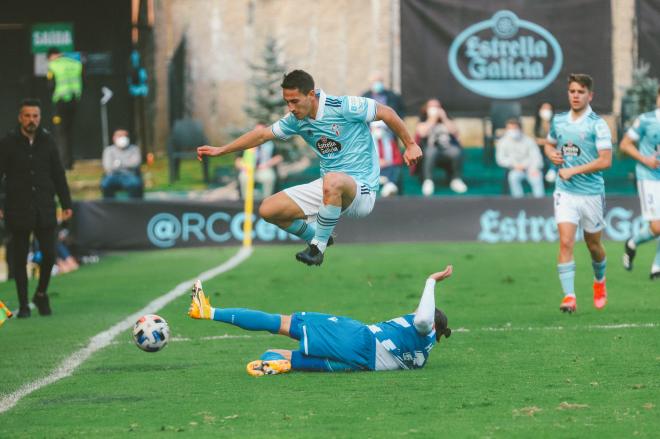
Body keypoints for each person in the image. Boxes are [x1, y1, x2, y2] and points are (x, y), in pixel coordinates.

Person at [197, 70, 422, 266]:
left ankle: (317, 248)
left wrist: (410, 145)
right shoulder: (295, 120)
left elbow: (387, 113)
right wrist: (221, 150)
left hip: (361, 190)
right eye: (287, 102)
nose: (290, 108)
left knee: (333, 180)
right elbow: (263, 134)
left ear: (311, 95)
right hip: (329, 187)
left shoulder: (343, 106)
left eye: (295, 101)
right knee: (269, 210)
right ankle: (319, 234)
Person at [187, 265, 453, 376]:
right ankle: (276, 363)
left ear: (432, 325)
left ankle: (208, 311)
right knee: (286, 356)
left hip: (357, 338)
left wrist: (431, 281)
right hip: (359, 365)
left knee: (279, 322)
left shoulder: (423, 328)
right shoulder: (421, 357)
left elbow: (421, 319)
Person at [544, 74, 612, 313]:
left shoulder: (598, 124)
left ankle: (599, 282)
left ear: (590, 95)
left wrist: (574, 169)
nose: (575, 95)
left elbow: (606, 161)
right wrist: (551, 153)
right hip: (565, 193)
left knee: (594, 246)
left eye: (580, 92)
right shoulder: (559, 120)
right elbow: (549, 143)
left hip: (592, 193)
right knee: (565, 241)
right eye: (572, 91)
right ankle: (569, 297)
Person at [0, 98, 73, 318]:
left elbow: (58, 174)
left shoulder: (48, 141)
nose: (32, 120)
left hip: (44, 206)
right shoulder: (8, 142)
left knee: (49, 254)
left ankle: (41, 293)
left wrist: (66, 203)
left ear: (40, 117)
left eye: (35, 116)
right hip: (17, 207)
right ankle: (23, 305)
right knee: (19, 257)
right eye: (27, 116)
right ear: (20, 117)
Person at [620, 87, 660, 280]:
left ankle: (656, 268)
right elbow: (625, 144)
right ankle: (632, 243)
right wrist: (645, 159)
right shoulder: (646, 120)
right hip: (649, 176)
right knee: (658, 226)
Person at [415, 99, 468, 195]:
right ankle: (428, 181)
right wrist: (432, 119)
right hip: (429, 149)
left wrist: (444, 118)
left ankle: (456, 179)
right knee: (431, 152)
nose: (435, 109)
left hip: (446, 148)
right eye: (432, 107)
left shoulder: (447, 120)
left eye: (437, 107)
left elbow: (455, 132)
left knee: (456, 151)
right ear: (426, 109)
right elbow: (422, 133)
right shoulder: (423, 120)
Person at [47, 47, 83, 170]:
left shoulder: (53, 66)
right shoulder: (75, 64)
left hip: (60, 102)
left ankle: (64, 163)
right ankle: (70, 161)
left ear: (52, 56)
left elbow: (50, 85)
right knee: (70, 131)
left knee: (61, 133)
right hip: (74, 101)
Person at [496, 118, 545, 198]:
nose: (512, 131)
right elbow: (500, 159)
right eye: (510, 128)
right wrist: (514, 165)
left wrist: (534, 168)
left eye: (515, 128)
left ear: (520, 129)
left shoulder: (529, 141)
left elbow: (536, 156)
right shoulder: (502, 142)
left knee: (537, 178)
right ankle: (519, 202)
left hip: (531, 168)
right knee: (513, 177)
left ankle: (540, 202)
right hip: (515, 169)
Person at [235, 124, 283, 199]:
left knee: (269, 177)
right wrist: (243, 166)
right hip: (248, 169)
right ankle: (245, 200)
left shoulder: (270, 144)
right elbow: (238, 159)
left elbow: (279, 157)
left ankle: (266, 200)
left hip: (263, 168)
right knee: (243, 177)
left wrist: (267, 164)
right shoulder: (247, 143)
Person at [100, 129, 144, 199]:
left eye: (125, 136)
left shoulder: (134, 149)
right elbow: (108, 167)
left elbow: (135, 163)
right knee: (106, 184)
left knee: (135, 184)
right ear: (114, 138)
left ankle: (134, 207)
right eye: (119, 136)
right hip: (113, 176)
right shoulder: (108, 150)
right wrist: (127, 163)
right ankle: (110, 207)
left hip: (130, 175)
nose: (122, 138)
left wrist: (119, 163)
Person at [370, 120, 403, 196]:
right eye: (377, 128)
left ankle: (389, 187)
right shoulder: (365, 143)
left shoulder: (390, 142)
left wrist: (387, 162)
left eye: (381, 128)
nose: (379, 130)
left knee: (395, 168)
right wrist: (376, 162)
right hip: (372, 170)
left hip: (388, 169)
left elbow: (398, 159)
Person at [534, 102, 557, 183]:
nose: (546, 111)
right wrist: (546, 141)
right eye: (544, 108)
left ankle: (552, 171)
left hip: (552, 149)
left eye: (549, 109)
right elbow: (532, 139)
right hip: (537, 149)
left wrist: (548, 125)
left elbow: (556, 139)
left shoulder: (556, 123)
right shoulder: (534, 122)